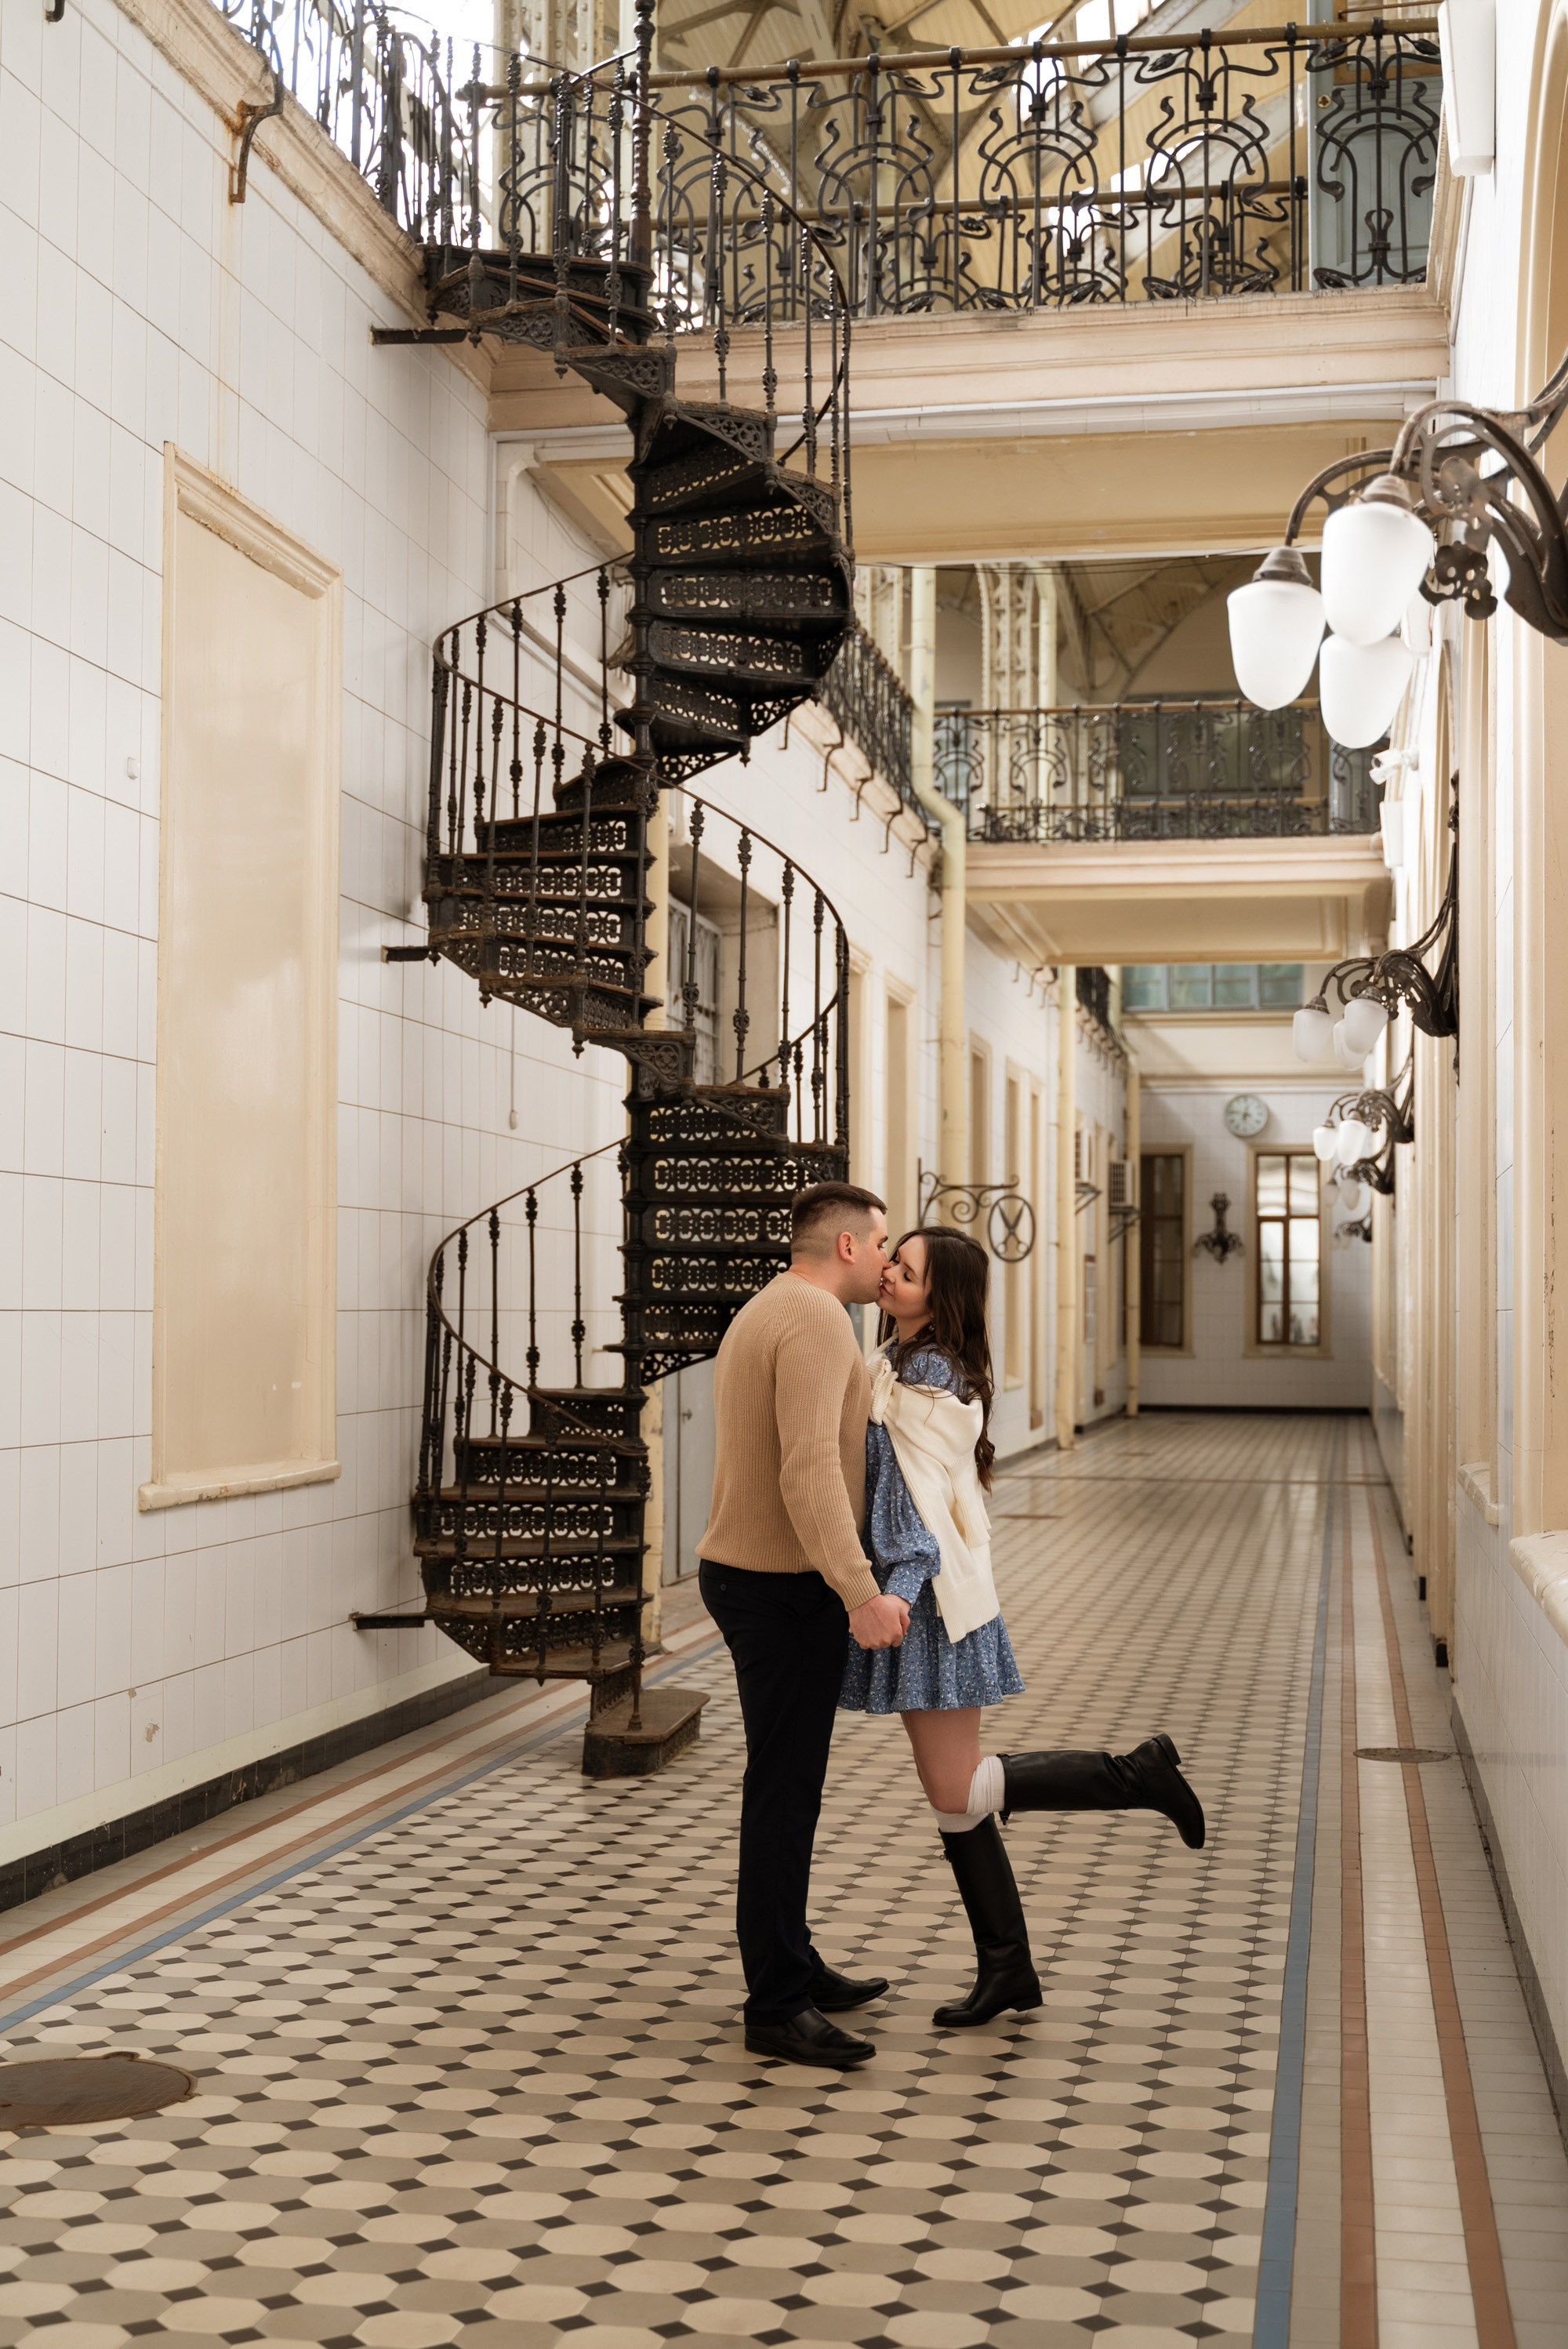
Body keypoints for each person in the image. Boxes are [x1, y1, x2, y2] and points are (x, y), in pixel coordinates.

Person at [840, 1226, 1206, 2028]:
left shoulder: (925, 1379)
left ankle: (1133, 1775)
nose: (889, 1274)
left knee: (956, 1787)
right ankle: (1007, 1967)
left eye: (907, 1271)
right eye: (892, 1261)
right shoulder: (901, 1360)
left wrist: (890, 1593)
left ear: (941, 1299)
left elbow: (911, 1505)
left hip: (929, 1599)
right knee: (954, 1801)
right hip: (929, 1593)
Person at [697, 1182, 909, 2071]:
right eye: (882, 1242)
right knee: (784, 1793)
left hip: (758, 1576)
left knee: (787, 1787)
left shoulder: (769, 1306)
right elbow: (809, 1467)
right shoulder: (818, 1318)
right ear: (848, 1245)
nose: (888, 1259)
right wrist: (858, 1589)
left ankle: (792, 1959)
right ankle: (777, 2005)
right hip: (779, 1587)